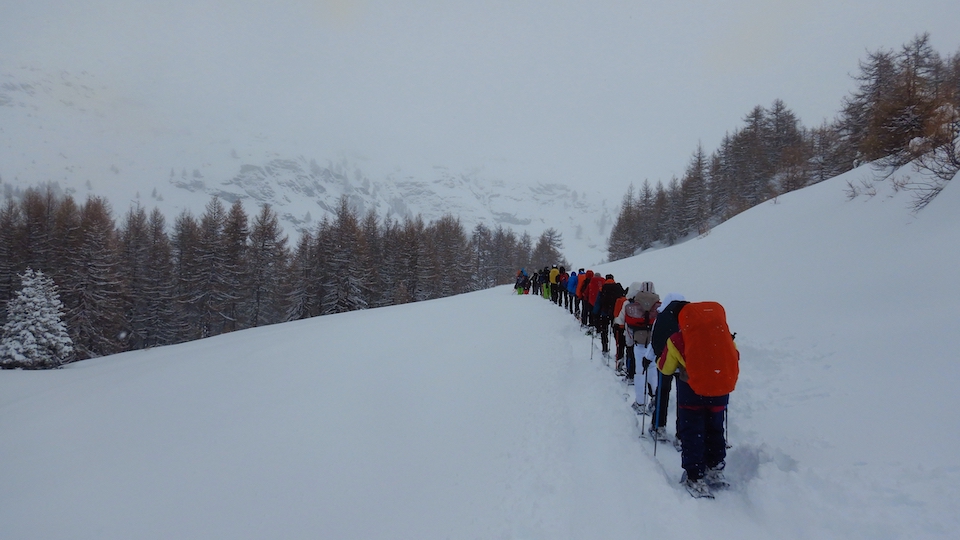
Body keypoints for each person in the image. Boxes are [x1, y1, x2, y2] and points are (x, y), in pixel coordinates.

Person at [656, 300, 738, 497]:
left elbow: (664, 368)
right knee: (715, 428)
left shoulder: (678, 339)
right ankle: (715, 466)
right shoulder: (724, 335)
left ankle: (695, 475)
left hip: (691, 394)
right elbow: (734, 355)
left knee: (693, 432)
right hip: (719, 392)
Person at [644, 293, 686, 441]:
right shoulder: (688, 318)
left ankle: (658, 426)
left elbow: (653, 338)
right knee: (684, 399)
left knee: (662, 392)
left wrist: (648, 358)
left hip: (664, 361)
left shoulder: (661, 316)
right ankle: (682, 434)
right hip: (684, 365)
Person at [595, 274, 624, 358]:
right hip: (615, 314)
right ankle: (619, 352)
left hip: (605, 312)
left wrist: (595, 312)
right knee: (617, 333)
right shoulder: (618, 287)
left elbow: (598, 302)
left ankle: (605, 348)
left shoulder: (602, 288)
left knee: (604, 331)